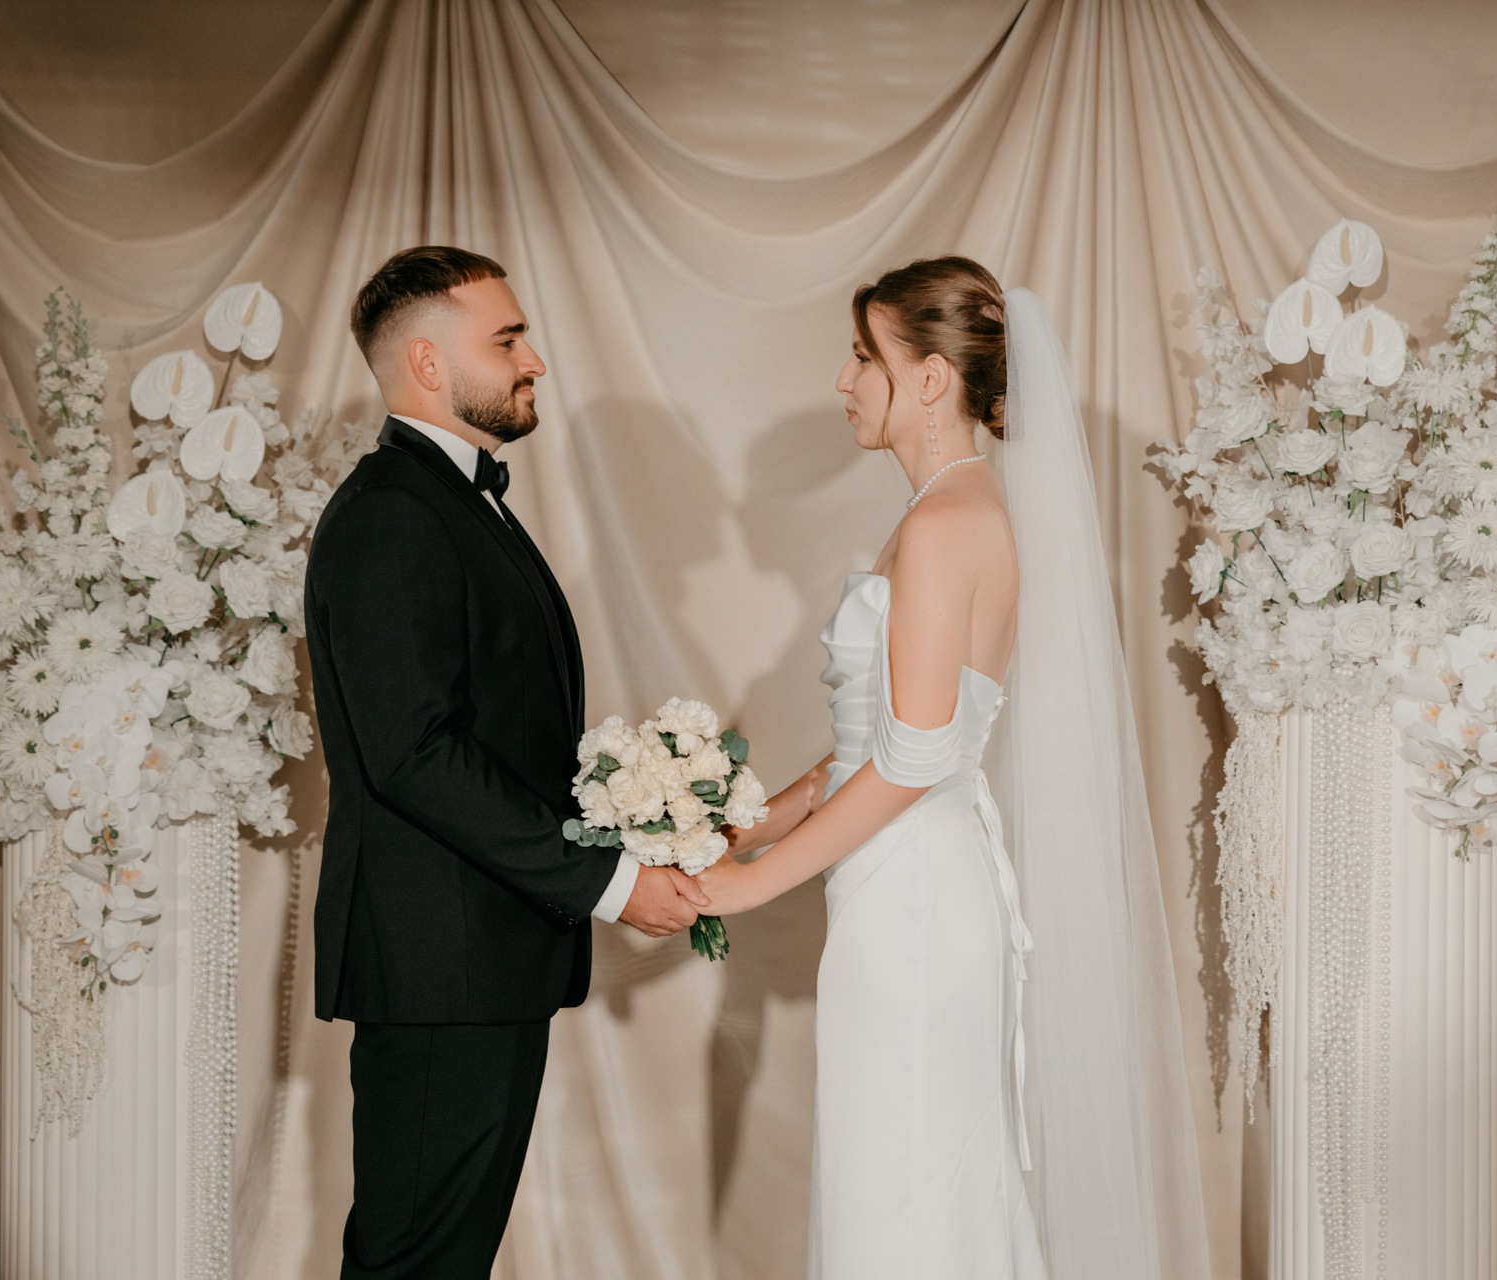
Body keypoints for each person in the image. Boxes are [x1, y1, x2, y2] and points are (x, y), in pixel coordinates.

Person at [696, 257, 1212, 1278]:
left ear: (930, 377)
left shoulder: (944, 523)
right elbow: (879, 742)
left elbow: (916, 758)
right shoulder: (946, 509)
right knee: (899, 1184)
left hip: (916, 901)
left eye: (864, 356)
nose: (844, 380)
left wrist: (746, 884)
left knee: (908, 1202)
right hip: (904, 884)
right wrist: (746, 822)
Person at [304, 246, 710, 1279]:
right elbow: (415, 753)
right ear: (428, 364)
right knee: (414, 1263)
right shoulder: (393, 514)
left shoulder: (455, 501)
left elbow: (501, 732)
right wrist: (609, 882)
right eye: (509, 339)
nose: (536, 359)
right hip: (439, 966)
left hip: (477, 959)